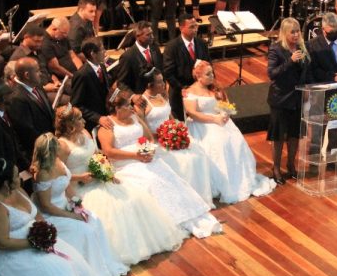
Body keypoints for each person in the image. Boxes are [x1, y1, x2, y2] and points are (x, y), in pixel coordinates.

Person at [55, 104, 187, 265]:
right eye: (80, 119)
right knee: (113, 210)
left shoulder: (85, 132)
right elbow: (58, 176)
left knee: (134, 198)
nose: (84, 121)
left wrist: (107, 172)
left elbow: (98, 155)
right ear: (70, 126)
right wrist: (78, 177)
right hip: (80, 187)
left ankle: (144, 242)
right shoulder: (61, 145)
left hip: (99, 178)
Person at [97, 88, 222, 236]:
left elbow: (149, 137)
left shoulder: (135, 118)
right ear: (117, 108)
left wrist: (148, 150)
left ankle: (189, 213)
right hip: (125, 163)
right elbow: (109, 151)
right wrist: (135, 155)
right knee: (152, 181)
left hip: (144, 157)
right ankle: (170, 220)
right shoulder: (107, 126)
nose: (132, 108)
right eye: (127, 106)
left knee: (169, 176)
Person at [31, 132, 128, 276]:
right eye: (58, 146)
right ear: (51, 150)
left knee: (95, 220)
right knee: (85, 231)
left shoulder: (58, 162)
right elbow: (46, 205)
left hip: (65, 206)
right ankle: (91, 274)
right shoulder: (42, 174)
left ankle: (104, 265)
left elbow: (66, 183)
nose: (62, 148)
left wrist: (76, 203)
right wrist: (72, 215)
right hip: (52, 214)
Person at [185, 60, 276, 203]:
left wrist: (225, 113)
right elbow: (192, 113)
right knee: (217, 145)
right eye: (208, 74)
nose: (212, 76)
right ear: (198, 76)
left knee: (235, 142)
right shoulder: (190, 92)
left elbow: (225, 104)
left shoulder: (215, 88)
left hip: (220, 121)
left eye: (212, 73)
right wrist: (214, 120)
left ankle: (238, 179)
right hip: (202, 124)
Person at [139, 68, 215, 205]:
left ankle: (198, 199)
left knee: (198, 155)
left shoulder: (162, 96)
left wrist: (176, 128)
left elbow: (170, 116)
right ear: (150, 85)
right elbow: (143, 129)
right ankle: (183, 200)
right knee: (183, 162)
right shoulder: (142, 103)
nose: (164, 84)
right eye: (160, 82)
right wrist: (163, 135)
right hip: (157, 141)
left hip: (171, 136)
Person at [266, 18, 308, 184]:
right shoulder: (276, 49)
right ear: (284, 33)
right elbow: (272, 73)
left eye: (298, 31)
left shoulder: (302, 47)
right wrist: (290, 61)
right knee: (278, 136)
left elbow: (306, 71)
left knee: (294, 135)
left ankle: (291, 164)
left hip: (297, 98)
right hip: (281, 99)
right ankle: (276, 168)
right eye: (293, 32)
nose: (296, 34)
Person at [163, 13, 211, 120]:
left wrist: (212, 86)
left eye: (196, 26)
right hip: (180, 94)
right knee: (181, 123)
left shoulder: (201, 43)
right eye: (191, 27)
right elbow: (168, 73)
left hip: (200, 92)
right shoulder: (172, 47)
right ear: (181, 28)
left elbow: (209, 65)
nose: (195, 30)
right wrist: (182, 88)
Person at [9, 57, 55, 157]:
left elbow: (49, 111)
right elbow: (27, 131)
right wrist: (48, 144)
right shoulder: (16, 98)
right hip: (40, 150)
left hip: (51, 140)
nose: (41, 73)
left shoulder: (36, 85)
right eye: (37, 71)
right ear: (27, 75)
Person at [0, 80, 30, 177]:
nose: (14, 95)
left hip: (20, 165)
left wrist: (27, 164)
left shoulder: (5, 111)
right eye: (11, 93)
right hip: (10, 175)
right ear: (4, 98)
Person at [71, 38, 114, 132]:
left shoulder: (101, 66)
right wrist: (98, 118)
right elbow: (76, 105)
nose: (105, 52)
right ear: (93, 54)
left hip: (106, 116)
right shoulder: (82, 75)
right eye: (102, 49)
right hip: (92, 123)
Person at [306, 12, 337, 84]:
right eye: (331, 32)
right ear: (323, 30)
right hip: (322, 87)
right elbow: (312, 70)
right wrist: (333, 77)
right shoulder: (312, 45)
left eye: (336, 31)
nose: (334, 34)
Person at [9, 25, 60, 94]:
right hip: (37, 92)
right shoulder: (18, 58)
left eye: (41, 41)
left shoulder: (37, 50)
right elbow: (19, 85)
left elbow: (47, 71)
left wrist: (55, 81)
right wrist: (45, 88)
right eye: (36, 41)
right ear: (26, 37)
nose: (39, 44)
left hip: (51, 84)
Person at [117, 20, 164, 94]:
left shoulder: (155, 48)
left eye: (152, 33)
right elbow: (121, 84)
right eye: (148, 35)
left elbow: (161, 70)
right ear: (137, 36)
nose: (152, 37)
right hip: (140, 100)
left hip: (158, 97)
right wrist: (133, 97)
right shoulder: (128, 56)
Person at [43, 17, 84, 81]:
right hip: (65, 78)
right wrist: (74, 77)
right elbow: (55, 68)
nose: (66, 35)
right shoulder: (45, 43)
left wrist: (81, 71)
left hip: (75, 74)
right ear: (54, 29)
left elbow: (73, 56)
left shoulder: (62, 37)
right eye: (64, 33)